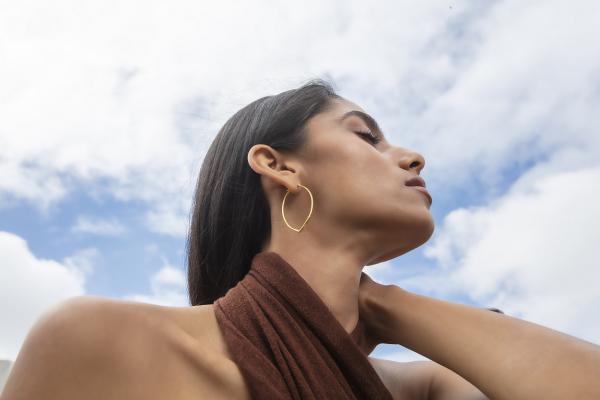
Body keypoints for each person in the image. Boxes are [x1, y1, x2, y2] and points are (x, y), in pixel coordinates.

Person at [3, 80, 600, 400]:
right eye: (367, 136)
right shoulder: (101, 344)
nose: (412, 155)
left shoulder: (421, 386)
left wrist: (388, 306)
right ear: (278, 165)